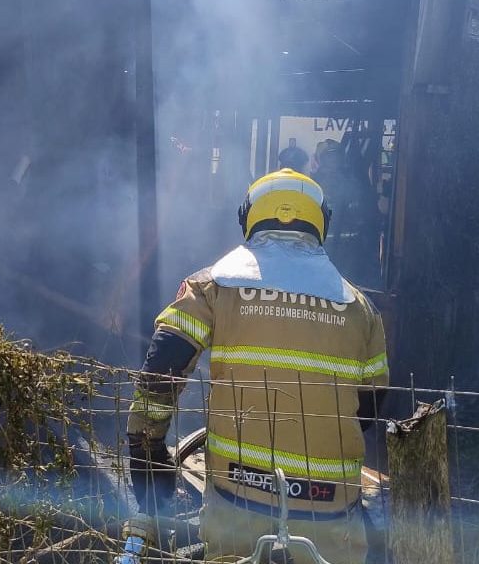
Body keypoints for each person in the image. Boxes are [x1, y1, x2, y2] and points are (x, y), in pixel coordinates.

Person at [122, 168, 390, 563]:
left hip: (236, 510)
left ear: (248, 217)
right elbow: (367, 409)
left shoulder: (211, 286)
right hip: (329, 516)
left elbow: (161, 370)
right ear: (321, 223)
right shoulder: (360, 308)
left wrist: (148, 456)